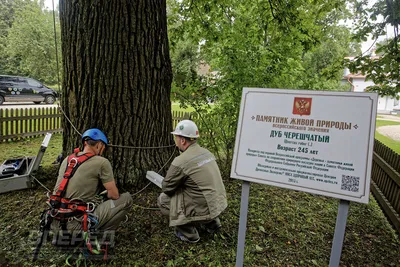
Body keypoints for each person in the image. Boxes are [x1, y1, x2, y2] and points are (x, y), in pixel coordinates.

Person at [50, 128, 132, 238]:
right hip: (76, 226)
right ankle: (100, 236)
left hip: (54, 222)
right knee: (126, 199)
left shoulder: (68, 159)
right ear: (99, 145)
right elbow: (114, 195)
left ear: (85, 142)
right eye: (103, 147)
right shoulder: (102, 162)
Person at [158, 120, 228, 243]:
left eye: (176, 137)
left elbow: (167, 188)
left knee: (163, 199)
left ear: (183, 140)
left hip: (204, 208)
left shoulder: (181, 160)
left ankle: (188, 232)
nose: (175, 141)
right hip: (219, 205)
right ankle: (212, 223)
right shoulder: (207, 153)